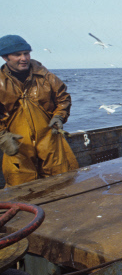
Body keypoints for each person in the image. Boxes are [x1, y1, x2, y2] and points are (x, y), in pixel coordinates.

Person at [0, 35, 78, 187]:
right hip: (17, 143)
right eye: (17, 54)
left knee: (64, 182)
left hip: (50, 137)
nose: (24, 58)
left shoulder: (46, 76)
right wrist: (2, 137)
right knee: (20, 189)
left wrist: (59, 116)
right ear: (5, 57)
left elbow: (63, 99)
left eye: (26, 53)